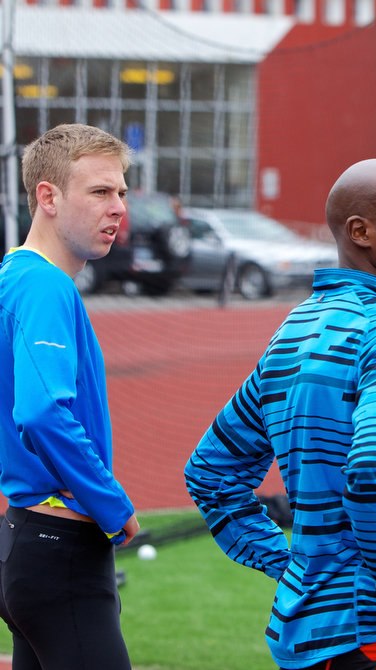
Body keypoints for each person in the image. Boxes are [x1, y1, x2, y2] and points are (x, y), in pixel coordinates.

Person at [184, 158, 376, 670]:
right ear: (361, 232)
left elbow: (210, 474)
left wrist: (294, 569)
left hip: (307, 639)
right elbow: (372, 468)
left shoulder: (293, 331)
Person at [0, 123, 140, 669]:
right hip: (60, 553)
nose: (119, 208)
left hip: (26, 542)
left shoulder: (12, 276)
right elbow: (39, 410)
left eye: (122, 192)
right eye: (101, 192)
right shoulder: (43, 284)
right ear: (48, 197)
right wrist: (111, 503)